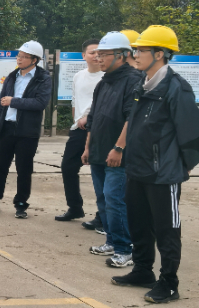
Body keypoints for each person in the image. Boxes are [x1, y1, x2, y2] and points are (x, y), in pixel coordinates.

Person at [111, 26, 199, 304]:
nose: (135, 55)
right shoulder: (143, 83)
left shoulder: (177, 88)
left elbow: (191, 134)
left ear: (159, 54)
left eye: (141, 50)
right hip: (137, 169)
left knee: (166, 229)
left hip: (164, 173)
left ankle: (169, 283)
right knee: (138, 223)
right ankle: (142, 270)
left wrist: (183, 166)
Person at [81, 31, 142, 268]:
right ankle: (111, 240)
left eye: (104, 54)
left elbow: (132, 118)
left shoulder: (134, 80)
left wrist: (119, 147)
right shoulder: (103, 82)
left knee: (115, 200)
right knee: (103, 199)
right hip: (98, 151)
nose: (99, 59)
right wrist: (88, 147)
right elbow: (93, 119)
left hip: (117, 155)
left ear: (122, 55)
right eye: (97, 54)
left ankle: (125, 249)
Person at [0, 41, 51, 219]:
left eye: (24, 57)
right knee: (0, 166)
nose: (19, 59)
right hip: (7, 128)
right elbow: (0, 101)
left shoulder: (43, 78)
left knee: (24, 169)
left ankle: (21, 204)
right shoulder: (12, 76)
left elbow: (40, 103)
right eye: (19, 56)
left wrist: (14, 101)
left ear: (34, 60)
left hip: (27, 131)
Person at [55, 39, 103, 222]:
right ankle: (75, 207)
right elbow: (75, 100)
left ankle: (102, 215)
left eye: (99, 52)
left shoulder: (106, 77)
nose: (96, 56)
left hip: (99, 128)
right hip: (79, 129)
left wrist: (88, 117)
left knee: (100, 172)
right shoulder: (78, 76)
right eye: (92, 52)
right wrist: (77, 120)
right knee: (68, 167)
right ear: (84, 56)